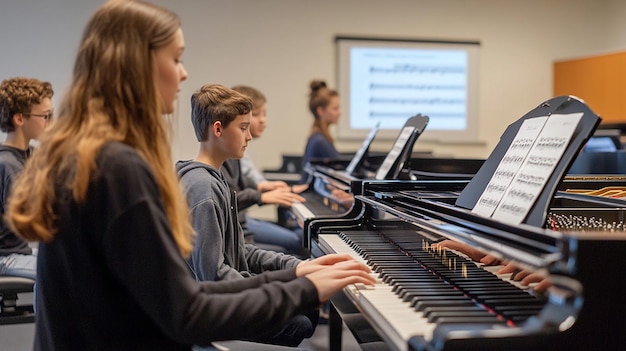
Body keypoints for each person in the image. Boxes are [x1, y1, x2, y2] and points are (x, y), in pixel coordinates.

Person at [5, 1, 374, 350]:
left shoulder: (88, 154)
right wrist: (304, 290)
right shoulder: (117, 167)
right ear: (138, 65)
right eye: (177, 58)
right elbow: (188, 313)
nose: (184, 72)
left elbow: (182, 293)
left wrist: (295, 276)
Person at [177, 83, 319, 347]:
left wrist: (295, 267)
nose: (249, 136)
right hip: (213, 312)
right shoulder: (203, 190)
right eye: (243, 128)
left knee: (308, 311)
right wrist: (279, 287)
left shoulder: (215, 180)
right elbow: (214, 278)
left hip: (225, 295)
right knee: (301, 323)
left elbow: (243, 252)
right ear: (217, 129)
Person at [226, 85, 308, 258]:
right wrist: (261, 196)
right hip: (239, 227)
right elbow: (230, 196)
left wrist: (269, 189)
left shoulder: (236, 155)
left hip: (241, 223)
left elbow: (247, 185)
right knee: (295, 243)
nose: (263, 121)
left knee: (295, 244)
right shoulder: (228, 156)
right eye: (256, 115)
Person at [0, 77, 53, 280]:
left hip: (21, 251)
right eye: (46, 116)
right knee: (64, 268)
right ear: (20, 119)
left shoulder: (31, 155)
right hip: (7, 257)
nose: (51, 123)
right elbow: (29, 223)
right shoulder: (8, 165)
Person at [300, 80, 341, 183]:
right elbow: (339, 171)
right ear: (320, 111)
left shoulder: (318, 136)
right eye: (335, 108)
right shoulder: (320, 141)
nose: (339, 113)